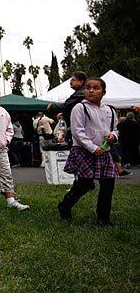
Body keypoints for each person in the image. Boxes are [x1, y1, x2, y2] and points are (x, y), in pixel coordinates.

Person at [58, 77, 118, 225]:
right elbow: (78, 132)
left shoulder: (109, 110)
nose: (90, 90)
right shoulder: (80, 108)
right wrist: (92, 147)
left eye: (95, 88)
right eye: (88, 87)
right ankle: (65, 205)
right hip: (84, 151)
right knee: (84, 184)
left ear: (103, 92)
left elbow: (115, 129)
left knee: (108, 183)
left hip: (104, 152)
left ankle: (103, 218)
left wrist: (113, 136)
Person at [47, 71, 87, 143]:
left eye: (73, 80)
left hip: (81, 130)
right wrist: (64, 113)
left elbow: (67, 105)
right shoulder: (80, 92)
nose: (70, 82)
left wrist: (53, 106)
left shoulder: (81, 93)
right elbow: (72, 107)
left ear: (81, 82)